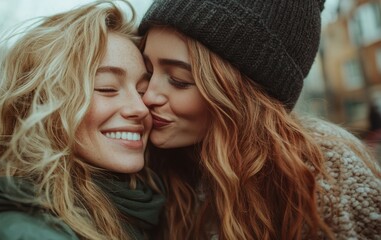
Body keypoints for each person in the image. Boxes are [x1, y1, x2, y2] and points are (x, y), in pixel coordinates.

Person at [138, 0, 381, 239]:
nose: (148, 96)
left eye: (179, 80)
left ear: (245, 94)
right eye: (147, 73)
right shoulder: (155, 170)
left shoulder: (321, 174)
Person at [0, 1, 164, 239]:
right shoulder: (22, 230)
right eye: (107, 88)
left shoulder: (147, 208)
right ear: (43, 102)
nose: (140, 108)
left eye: (142, 90)